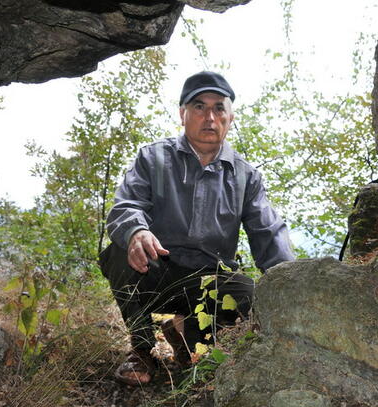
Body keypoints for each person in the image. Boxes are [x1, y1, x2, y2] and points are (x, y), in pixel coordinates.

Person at [99, 71, 294, 386]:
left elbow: (269, 232)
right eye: (199, 107)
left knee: (246, 293)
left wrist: (290, 281)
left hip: (209, 281)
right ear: (182, 114)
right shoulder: (153, 158)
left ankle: (187, 339)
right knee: (121, 252)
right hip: (156, 270)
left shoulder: (246, 177)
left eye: (219, 108)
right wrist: (137, 231)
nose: (210, 117)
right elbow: (125, 207)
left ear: (230, 118)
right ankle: (142, 349)